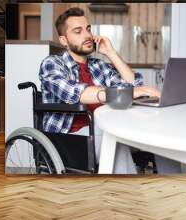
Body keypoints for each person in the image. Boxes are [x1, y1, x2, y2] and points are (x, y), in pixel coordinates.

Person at [38, 7, 160, 174]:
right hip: (70, 138)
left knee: (156, 132)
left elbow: (134, 85)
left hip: (103, 129)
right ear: (64, 40)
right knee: (111, 133)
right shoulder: (52, 64)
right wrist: (119, 94)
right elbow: (74, 93)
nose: (87, 35)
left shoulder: (98, 66)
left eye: (88, 29)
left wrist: (111, 53)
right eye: (78, 31)